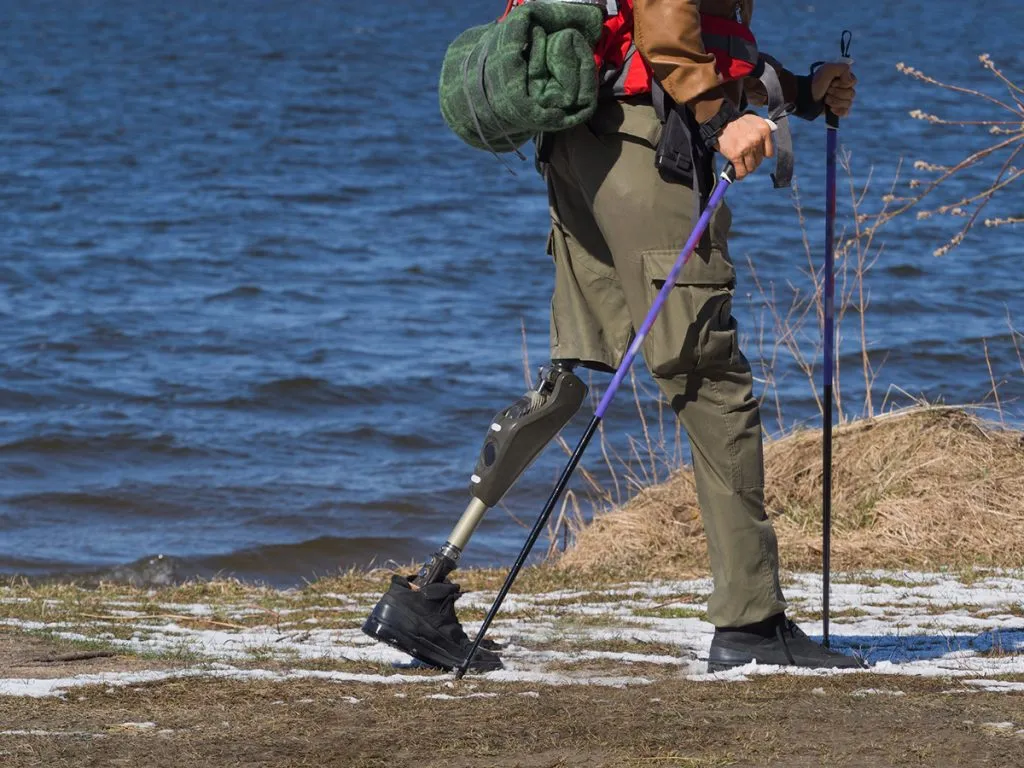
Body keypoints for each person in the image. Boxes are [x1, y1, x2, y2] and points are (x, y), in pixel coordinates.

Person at [363, 0, 861, 673]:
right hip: (642, 147)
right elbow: (665, 31)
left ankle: (428, 587)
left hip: (580, 145)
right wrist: (719, 120)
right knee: (707, 376)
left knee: (571, 372)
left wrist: (797, 92)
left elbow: (694, 37)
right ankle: (751, 623)